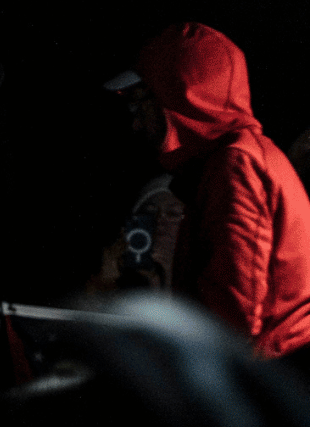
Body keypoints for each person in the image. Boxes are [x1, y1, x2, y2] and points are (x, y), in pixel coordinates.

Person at [106, 23, 310, 359]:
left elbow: (234, 310)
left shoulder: (236, 164)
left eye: (139, 104)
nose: (135, 124)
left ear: (179, 93)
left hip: (270, 371)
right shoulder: (235, 160)